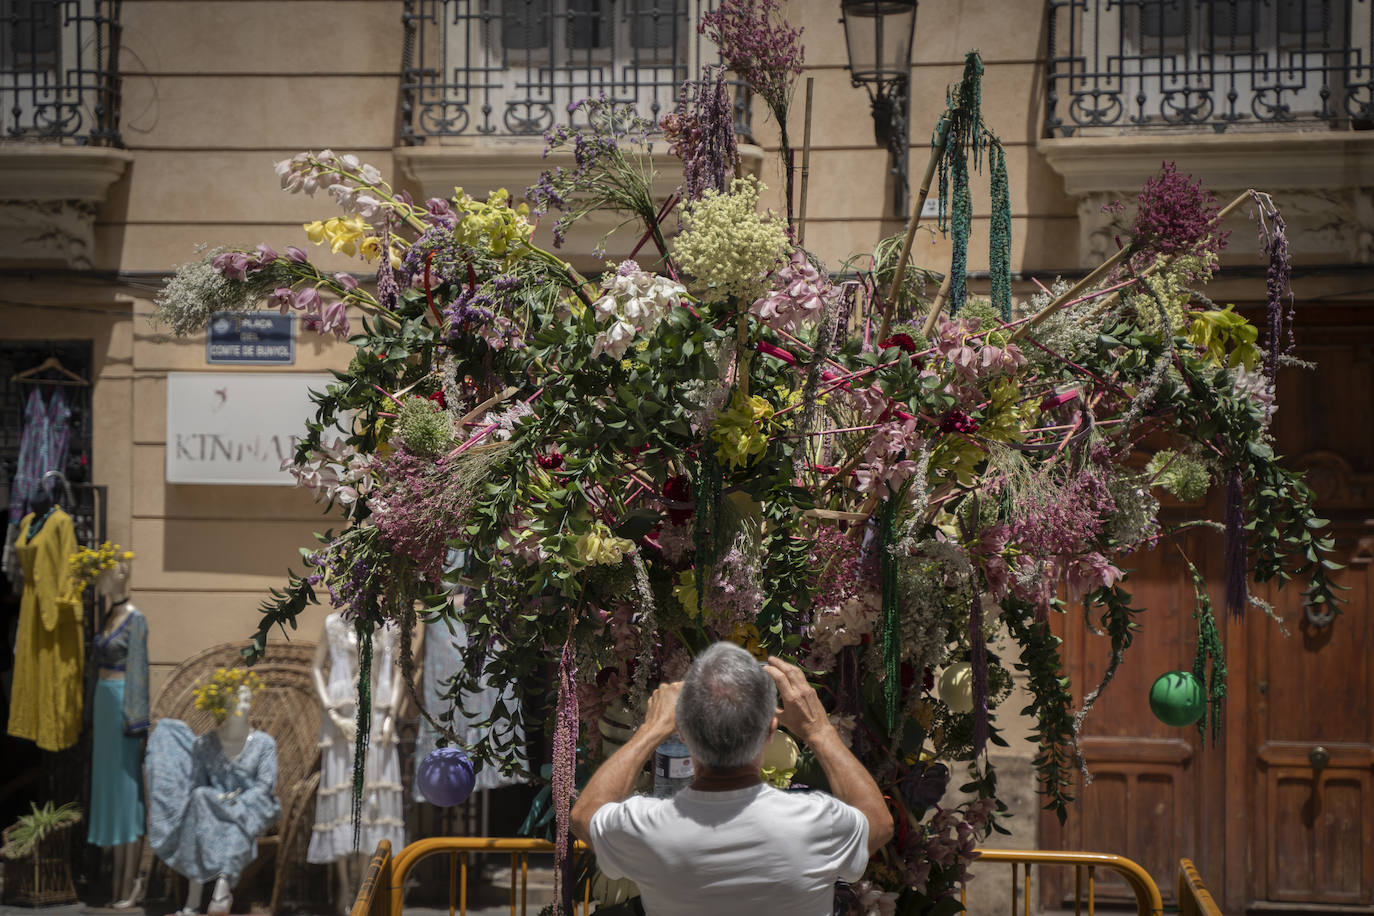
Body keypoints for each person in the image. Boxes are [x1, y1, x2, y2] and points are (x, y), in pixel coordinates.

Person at [571, 642, 894, 916]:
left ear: (682, 732)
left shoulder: (647, 826)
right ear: (770, 730)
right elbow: (879, 823)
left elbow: (585, 815)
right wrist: (819, 731)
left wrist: (651, 730)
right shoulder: (815, 823)